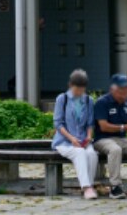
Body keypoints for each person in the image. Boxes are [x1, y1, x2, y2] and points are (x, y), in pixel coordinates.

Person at [51, 69, 100, 200]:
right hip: (64, 142)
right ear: (70, 85)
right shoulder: (63, 99)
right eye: (77, 88)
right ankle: (87, 188)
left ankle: (89, 185)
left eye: (82, 89)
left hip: (83, 140)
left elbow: (90, 123)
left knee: (92, 154)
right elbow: (58, 123)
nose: (79, 92)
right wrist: (71, 138)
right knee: (80, 153)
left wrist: (89, 136)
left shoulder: (89, 100)